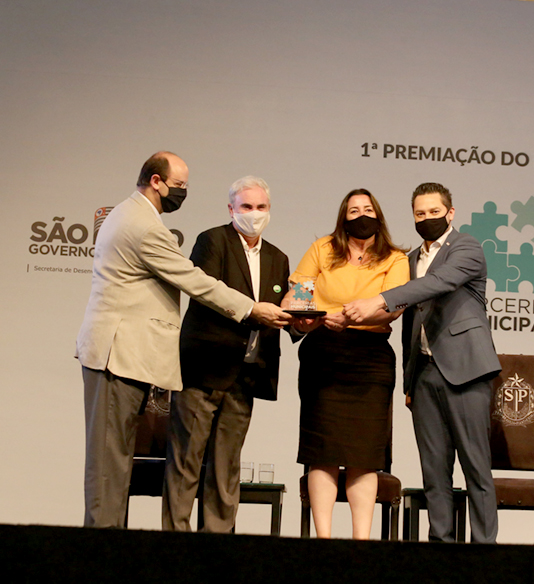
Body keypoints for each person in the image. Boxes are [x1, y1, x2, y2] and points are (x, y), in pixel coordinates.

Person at [76, 152, 290, 528]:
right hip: (117, 353)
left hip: (127, 355)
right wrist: (252, 309)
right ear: (156, 181)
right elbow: (194, 281)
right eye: (179, 185)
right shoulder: (142, 225)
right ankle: (102, 550)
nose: (183, 192)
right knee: (109, 465)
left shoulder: (137, 216)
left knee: (115, 460)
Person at [344, 182, 500, 544]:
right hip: (425, 373)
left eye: (434, 212)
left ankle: (486, 554)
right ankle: (440, 552)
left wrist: (380, 300)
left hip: (467, 371)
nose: (427, 219)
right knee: (433, 473)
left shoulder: (468, 247)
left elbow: (440, 283)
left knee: (476, 469)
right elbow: (409, 323)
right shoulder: (410, 259)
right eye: (420, 213)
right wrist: (409, 382)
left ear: (450, 213)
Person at [162, 176, 294, 532]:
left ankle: (217, 544)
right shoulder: (212, 240)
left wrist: (300, 320)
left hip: (246, 374)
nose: (254, 214)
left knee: (226, 466)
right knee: (186, 461)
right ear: (231, 209)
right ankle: (174, 542)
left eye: (261, 207)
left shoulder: (277, 257)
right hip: (204, 368)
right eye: (246, 207)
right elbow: (208, 293)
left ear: (270, 210)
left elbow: (281, 311)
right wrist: (253, 309)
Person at [284, 189, 409, 539]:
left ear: (379, 216)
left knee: (364, 452)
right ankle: (323, 540)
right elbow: (300, 290)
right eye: (353, 210)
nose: (361, 215)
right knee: (322, 449)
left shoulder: (396, 258)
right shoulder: (323, 248)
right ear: (343, 217)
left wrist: (355, 313)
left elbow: (395, 304)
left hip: (371, 356)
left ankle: (360, 542)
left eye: (368, 209)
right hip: (323, 351)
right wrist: (299, 312)